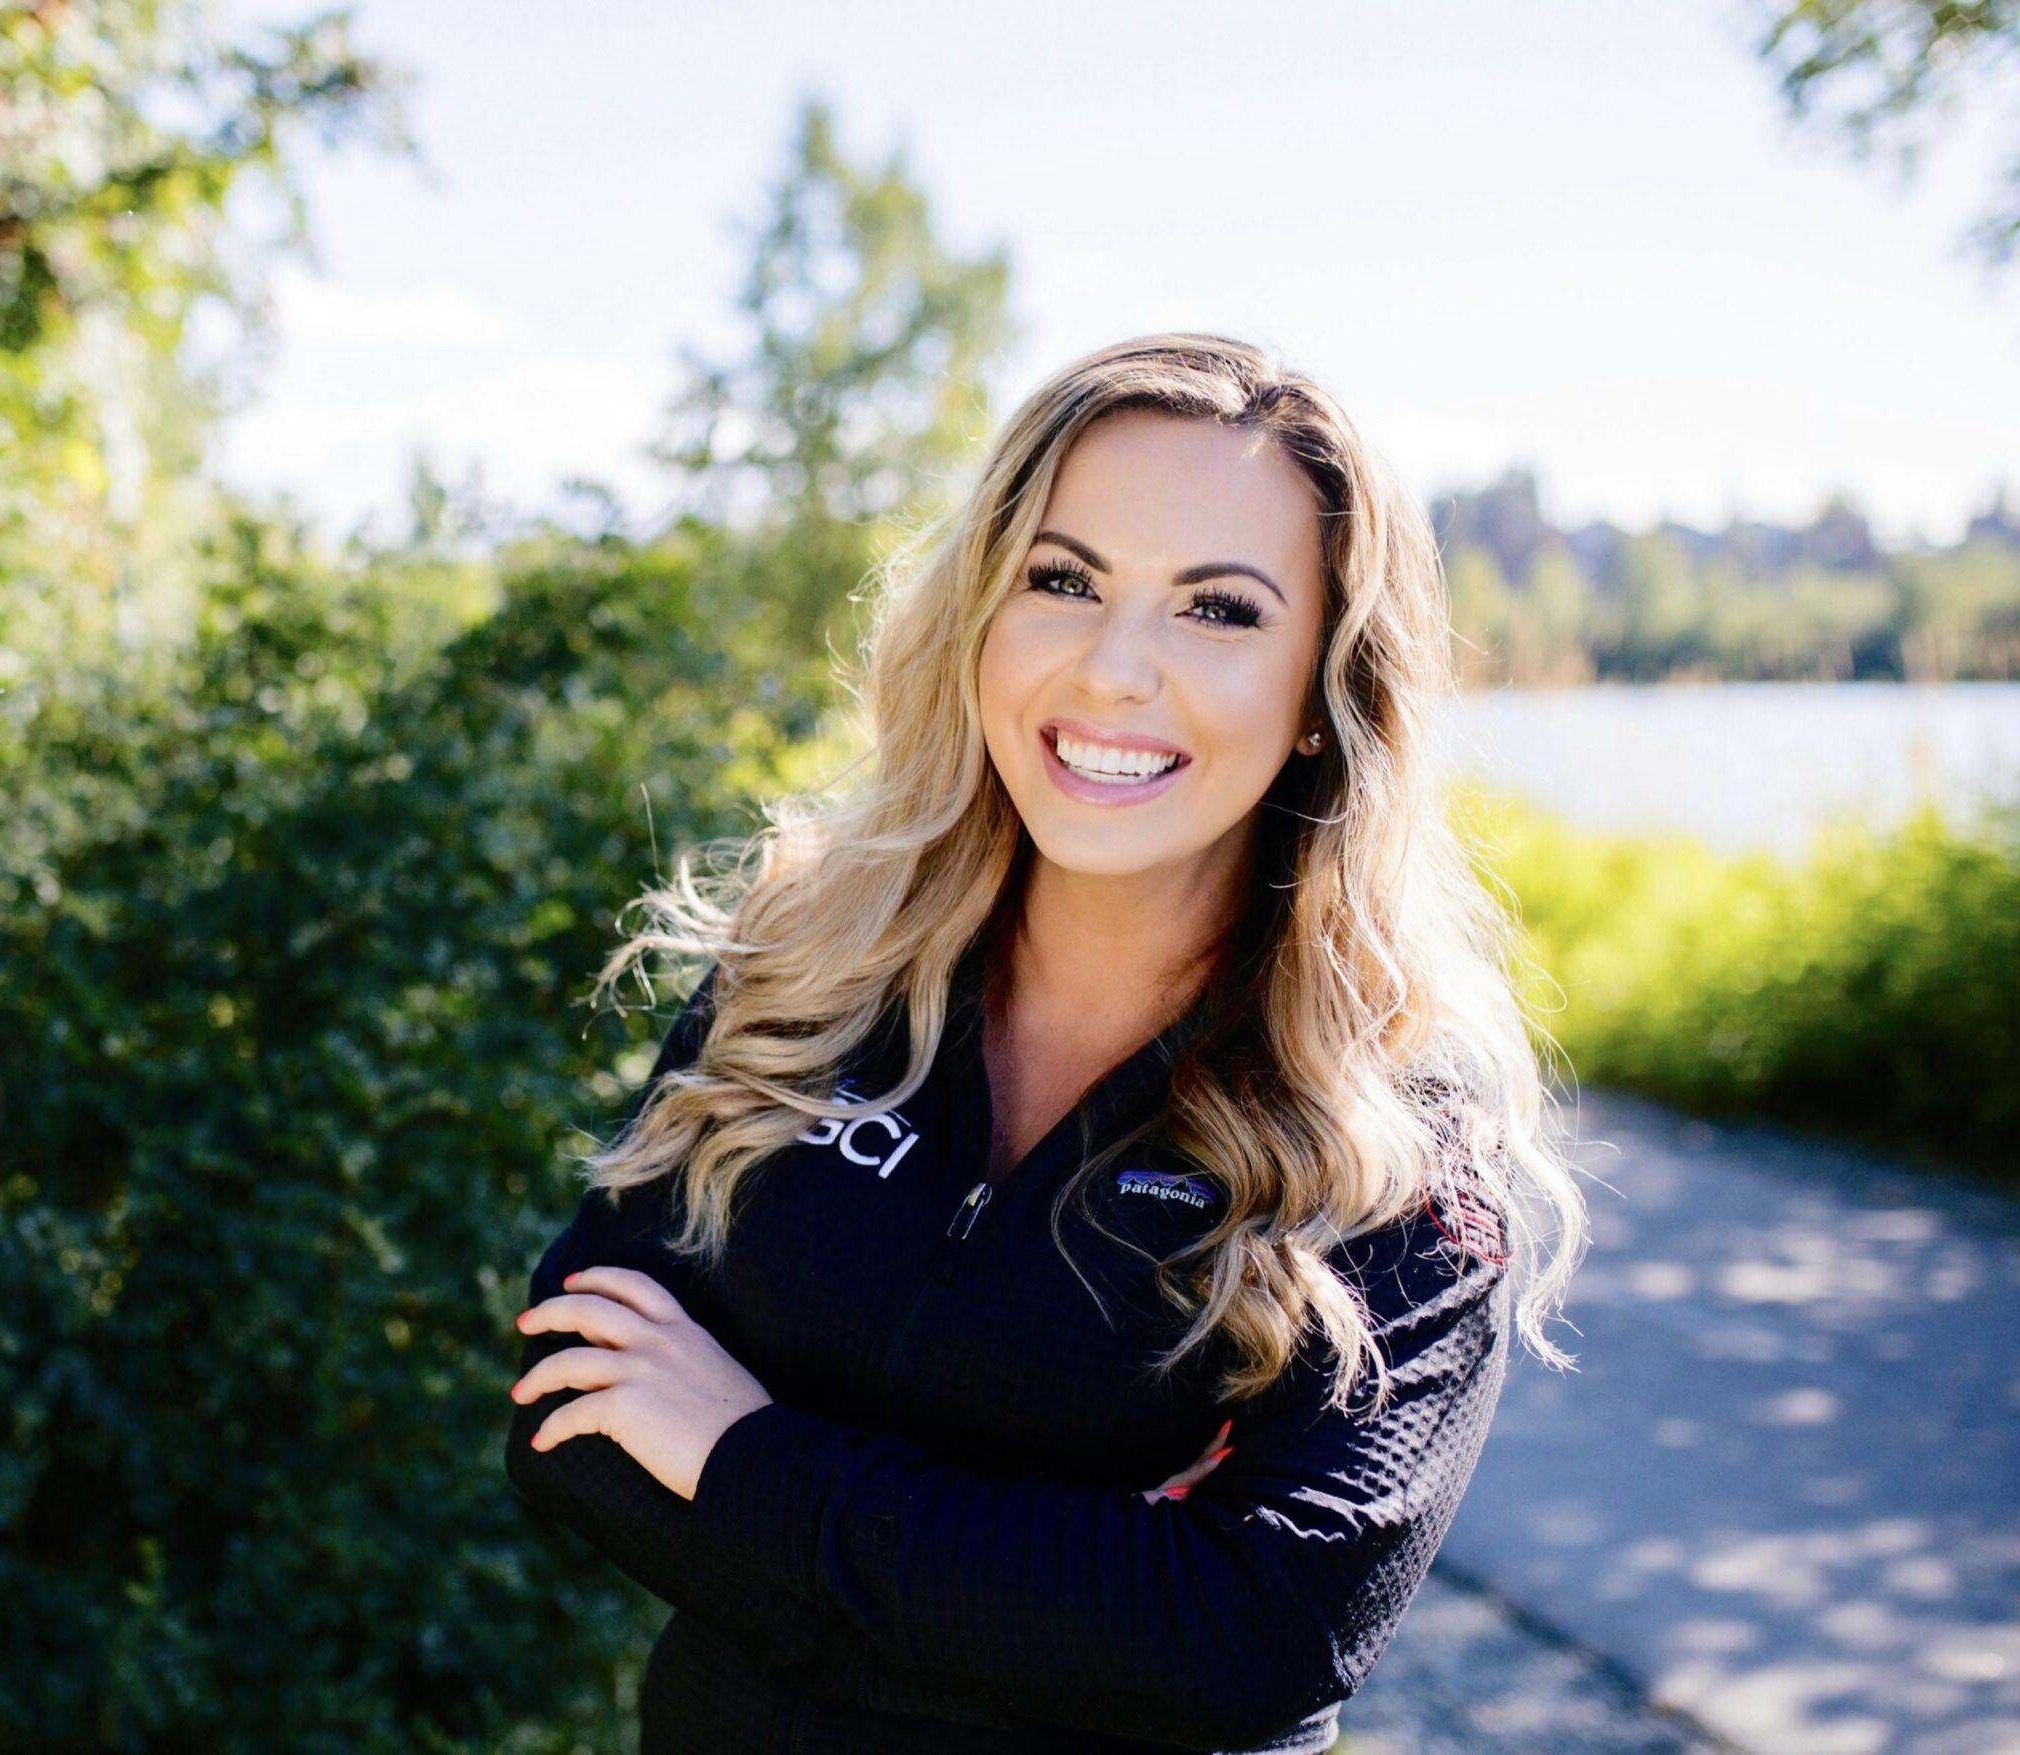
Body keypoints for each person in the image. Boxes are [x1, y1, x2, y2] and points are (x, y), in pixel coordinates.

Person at [503, 333, 1590, 1753]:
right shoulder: (809, 964)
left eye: (1218, 611)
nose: (1116, 670)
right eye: (1063, 580)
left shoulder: (1397, 1126)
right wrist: (1066, 1605)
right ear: (981, 617)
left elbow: (1258, 1637)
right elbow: (565, 1417)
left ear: (1324, 693)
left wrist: (734, 1457)